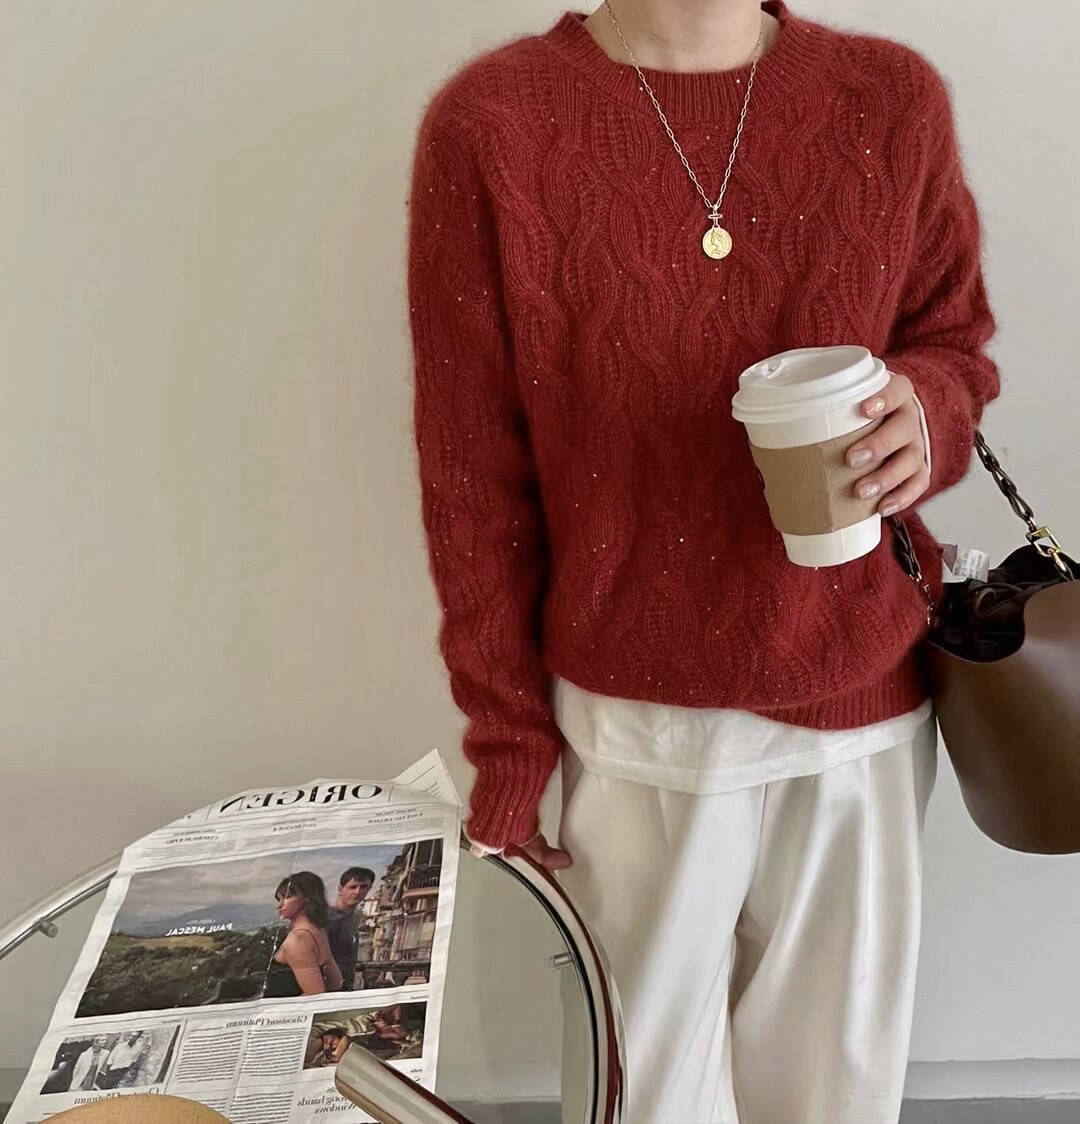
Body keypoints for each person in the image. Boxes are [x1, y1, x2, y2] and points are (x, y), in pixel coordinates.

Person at [408, 2, 998, 1122]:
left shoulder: (889, 98)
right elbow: (470, 473)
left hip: (861, 708)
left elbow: (952, 340)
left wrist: (928, 411)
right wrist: (509, 737)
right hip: (632, 730)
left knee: (834, 1100)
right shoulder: (494, 123)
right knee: (644, 1100)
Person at [265, 872, 344, 997]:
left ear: (307, 899)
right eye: (279, 899)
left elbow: (314, 994)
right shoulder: (319, 931)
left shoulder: (298, 939)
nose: (279, 905)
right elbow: (335, 981)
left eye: (287, 897)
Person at [325, 866, 375, 990]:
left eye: (363, 887)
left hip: (344, 987)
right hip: (327, 987)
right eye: (353, 887)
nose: (357, 892)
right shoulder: (327, 917)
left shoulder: (353, 918)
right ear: (340, 889)